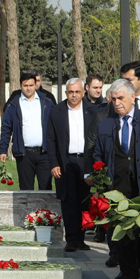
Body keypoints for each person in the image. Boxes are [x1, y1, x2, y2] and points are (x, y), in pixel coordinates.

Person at [91, 79, 140, 279]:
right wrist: (99, 182)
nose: (116, 103)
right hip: (117, 189)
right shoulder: (106, 124)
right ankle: (130, 276)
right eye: (113, 99)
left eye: (121, 98)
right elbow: (98, 154)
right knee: (124, 234)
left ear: (132, 97)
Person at [54, 77, 101, 251]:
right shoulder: (56, 111)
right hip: (65, 161)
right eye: (70, 92)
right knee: (68, 200)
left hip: (86, 161)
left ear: (83, 92)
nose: (74, 95)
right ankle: (71, 239)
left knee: (84, 201)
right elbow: (50, 139)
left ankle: (81, 239)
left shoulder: (93, 111)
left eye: (77, 92)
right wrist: (54, 163)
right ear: (66, 93)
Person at [0, 71, 58, 190]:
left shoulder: (47, 102)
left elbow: (56, 126)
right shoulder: (14, 105)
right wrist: (3, 149)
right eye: (25, 85)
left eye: (31, 85)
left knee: (45, 189)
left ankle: (44, 210)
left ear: (36, 84)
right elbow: (6, 128)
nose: (28, 88)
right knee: (26, 189)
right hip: (24, 154)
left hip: (44, 153)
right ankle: (27, 210)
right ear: (20, 85)